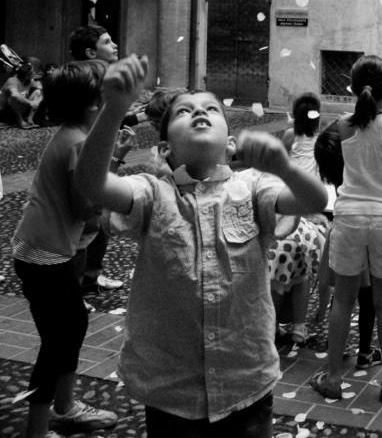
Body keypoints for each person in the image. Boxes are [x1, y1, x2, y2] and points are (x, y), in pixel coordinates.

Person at [73, 54, 328, 437]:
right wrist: (114, 109)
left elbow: (314, 202)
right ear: (165, 148)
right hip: (171, 387)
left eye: (210, 107)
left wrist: (285, 168)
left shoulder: (253, 186)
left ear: (229, 144)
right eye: (183, 112)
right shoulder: (152, 192)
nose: (199, 113)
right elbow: (92, 184)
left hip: (245, 381)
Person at [11, 60, 119, 437]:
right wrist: (113, 204)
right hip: (46, 254)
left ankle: (65, 405)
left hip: (43, 250)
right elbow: (84, 206)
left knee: (72, 326)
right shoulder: (78, 144)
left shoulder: (73, 134)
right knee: (58, 341)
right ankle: (39, 428)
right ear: (94, 105)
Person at [310, 55, 382, 402]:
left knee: (342, 300)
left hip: (349, 217)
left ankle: (332, 379)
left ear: (354, 87)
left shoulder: (340, 126)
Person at [311, 119, 380, 365]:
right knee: (368, 297)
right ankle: (365, 352)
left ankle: (336, 348)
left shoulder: (340, 173)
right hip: (367, 235)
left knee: (341, 297)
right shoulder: (362, 172)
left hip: (342, 230)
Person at [69, 25, 129, 294]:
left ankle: (91, 277)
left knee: (99, 220)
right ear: (91, 52)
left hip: (101, 152)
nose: (115, 45)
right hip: (91, 156)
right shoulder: (87, 82)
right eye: (107, 41)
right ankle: (77, 286)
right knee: (86, 223)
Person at [269, 92, 326, 345]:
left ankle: (271, 325)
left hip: (288, 212)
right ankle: (300, 327)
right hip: (310, 214)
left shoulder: (290, 135)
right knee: (303, 275)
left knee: (278, 277)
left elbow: (277, 167)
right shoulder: (321, 138)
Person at [0, 61, 43, 128]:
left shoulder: (30, 82)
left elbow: (42, 90)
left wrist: (36, 102)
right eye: (32, 73)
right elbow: (14, 94)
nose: (34, 73)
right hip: (6, 112)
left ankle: (30, 119)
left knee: (38, 92)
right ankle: (20, 121)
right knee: (13, 98)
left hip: (19, 110)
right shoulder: (12, 80)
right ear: (27, 76)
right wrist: (30, 103)